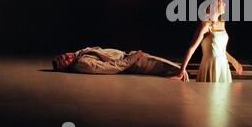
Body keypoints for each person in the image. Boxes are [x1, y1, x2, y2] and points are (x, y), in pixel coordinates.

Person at [171, 0, 243, 82]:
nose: (225, 4)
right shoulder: (205, 25)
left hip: (223, 68)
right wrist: (181, 71)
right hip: (210, 68)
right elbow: (192, 48)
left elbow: (222, 51)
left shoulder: (222, 24)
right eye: (222, 2)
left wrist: (234, 62)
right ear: (214, 4)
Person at [53, 47, 189, 81]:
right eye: (65, 61)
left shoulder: (79, 54)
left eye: (63, 56)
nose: (67, 57)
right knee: (172, 68)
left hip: (129, 56)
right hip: (132, 62)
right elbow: (111, 67)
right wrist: (134, 58)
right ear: (66, 67)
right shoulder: (83, 63)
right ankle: (183, 75)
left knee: (170, 64)